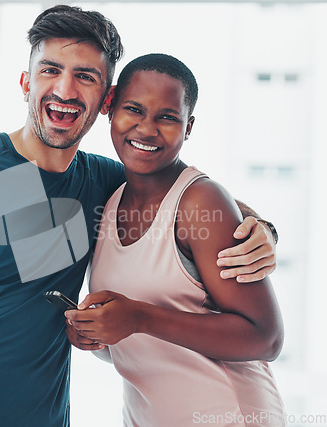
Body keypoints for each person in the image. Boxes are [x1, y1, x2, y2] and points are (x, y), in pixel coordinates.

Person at [0, 6, 278, 427]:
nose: (65, 90)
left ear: (106, 98)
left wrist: (263, 228)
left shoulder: (107, 182)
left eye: (85, 77)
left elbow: (190, 195)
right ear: (25, 82)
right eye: (50, 70)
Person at [65, 53, 286, 426]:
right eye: (133, 109)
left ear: (189, 126)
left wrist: (138, 317)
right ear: (110, 107)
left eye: (167, 117)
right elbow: (151, 342)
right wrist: (96, 329)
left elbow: (265, 337)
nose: (147, 129)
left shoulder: (200, 201)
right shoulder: (109, 198)